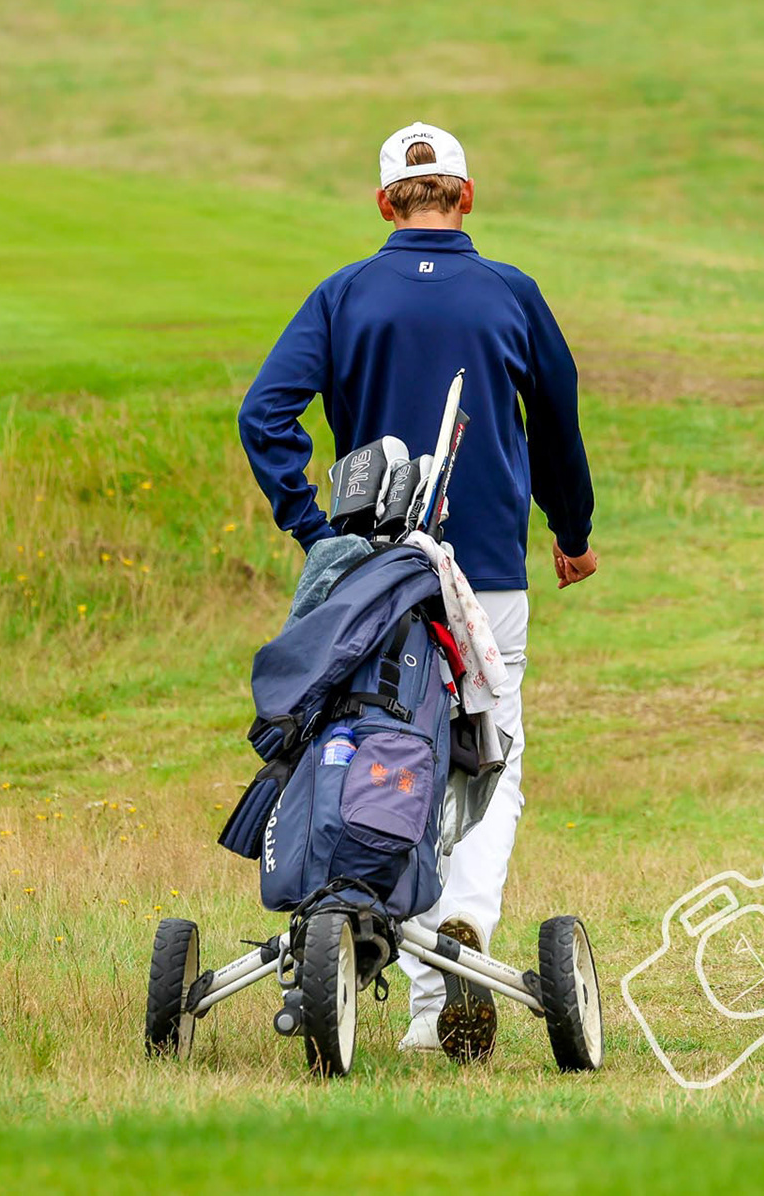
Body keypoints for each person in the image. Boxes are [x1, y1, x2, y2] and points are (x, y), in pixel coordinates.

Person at [239, 122, 598, 1061]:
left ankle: (396, 954)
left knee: (381, 745)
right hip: (485, 575)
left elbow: (263, 412)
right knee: (486, 756)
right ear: (466, 196)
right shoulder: (511, 291)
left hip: (371, 581)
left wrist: (312, 526)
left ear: (385, 202)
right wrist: (572, 532)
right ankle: (452, 959)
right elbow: (556, 422)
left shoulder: (344, 293)